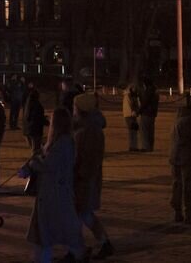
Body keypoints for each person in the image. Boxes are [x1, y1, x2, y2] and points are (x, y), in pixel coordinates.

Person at [23, 107, 86, 263]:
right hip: (54, 191)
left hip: (54, 192)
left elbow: (49, 165)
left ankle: (47, 258)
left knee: (48, 231)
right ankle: (71, 253)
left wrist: (33, 164)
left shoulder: (62, 142)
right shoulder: (61, 142)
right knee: (55, 228)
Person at [73, 93, 113, 259]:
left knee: (83, 213)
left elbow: (89, 158)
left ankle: (100, 243)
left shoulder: (89, 131)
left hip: (84, 179)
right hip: (83, 178)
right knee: (82, 213)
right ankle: (79, 247)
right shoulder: (84, 128)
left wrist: (80, 175)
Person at [169, 95, 191, 224]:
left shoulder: (178, 119)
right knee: (188, 187)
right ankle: (189, 215)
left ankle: (177, 213)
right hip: (187, 158)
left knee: (176, 185)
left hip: (174, 156)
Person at [23, 82, 48, 150]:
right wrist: (48, 122)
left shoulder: (28, 104)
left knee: (34, 149)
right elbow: (37, 118)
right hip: (35, 131)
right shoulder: (37, 106)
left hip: (28, 130)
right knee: (36, 150)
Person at [137, 76, 158, 152]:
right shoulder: (155, 91)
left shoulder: (149, 91)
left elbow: (145, 103)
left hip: (146, 113)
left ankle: (145, 147)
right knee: (150, 131)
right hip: (152, 113)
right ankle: (150, 147)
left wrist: (138, 111)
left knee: (144, 131)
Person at [121, 83, 140, 152]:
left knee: (134, 131)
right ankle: (132, 146)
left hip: (132, 115)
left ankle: (134, 146)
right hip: (129, 116)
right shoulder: (128, 96)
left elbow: (136, 105)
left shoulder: (133, 95)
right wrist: (133, 112)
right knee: (132, 131)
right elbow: (128, 106)